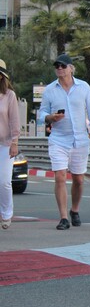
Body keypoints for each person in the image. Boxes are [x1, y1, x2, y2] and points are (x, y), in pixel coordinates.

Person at [39, 54, 90, 230]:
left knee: (79, 180)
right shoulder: (50, 90)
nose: (59, 68)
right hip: (58, 139)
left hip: (80, 140)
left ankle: (75, 210)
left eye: (63, 66)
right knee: (60, 176)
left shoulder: (84, 88)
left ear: (71, 68)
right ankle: (63, 217)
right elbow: (41, 114)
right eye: (57, 66)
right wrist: (51, 117)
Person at [0, 59, 20, 230]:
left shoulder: (9, 96)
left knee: (4, 181)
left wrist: (15, 142)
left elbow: (14, 121)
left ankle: (6, 214)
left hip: (5, 144)